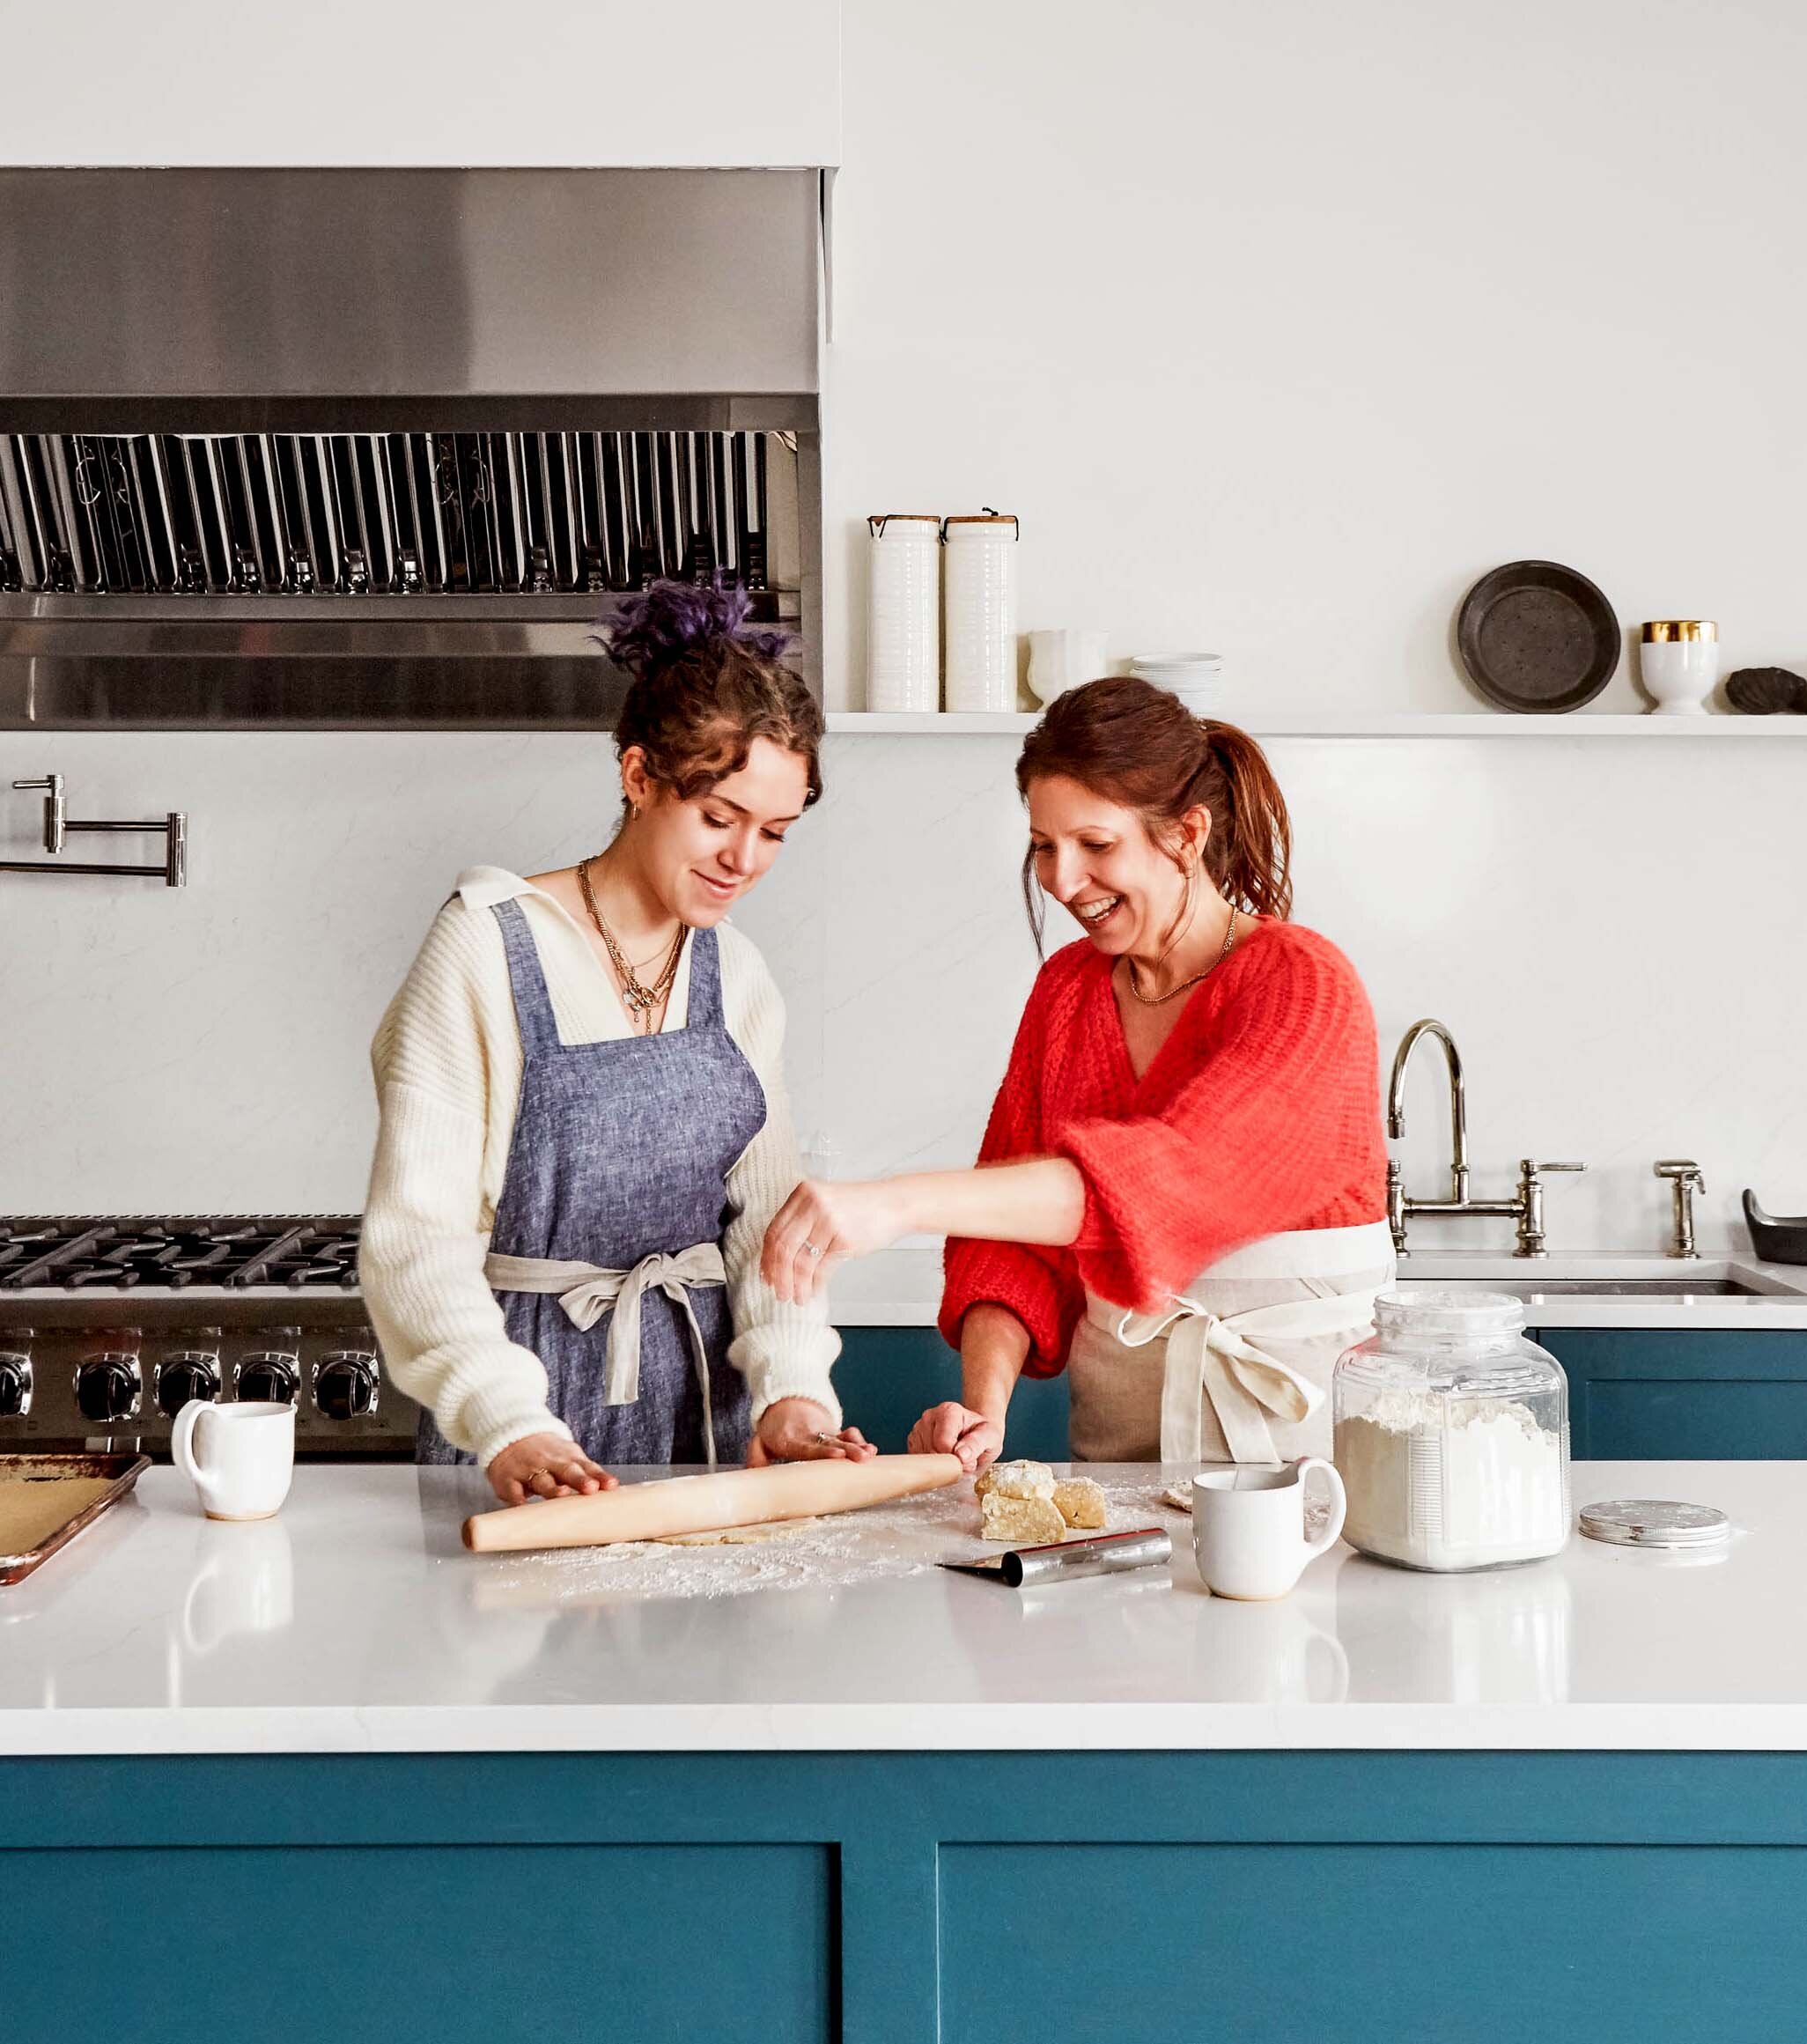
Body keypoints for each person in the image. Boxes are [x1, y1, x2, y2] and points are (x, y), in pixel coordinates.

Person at [760, 675, 1392, 1472]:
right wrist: (983, 1410)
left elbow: (1174, 1176)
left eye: (1096, 845)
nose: (1062, 880)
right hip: (1120, 1452)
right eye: (1043, 846)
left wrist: (897, 1202)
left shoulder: (1304, 985)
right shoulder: (1069, 991)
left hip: (1308, 1457)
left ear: (1186, 835)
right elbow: (1012, 1247)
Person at [361, 580, 872, 1505]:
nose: (744, 860)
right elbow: (417, 1239)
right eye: (718, 818)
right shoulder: (485, 945)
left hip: (703, 1418)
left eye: (775, 833)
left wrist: (793, 1393)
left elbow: (767, 1225)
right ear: (639, 776)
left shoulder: (738, 976)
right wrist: (506, 1420)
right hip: (517, 1419)